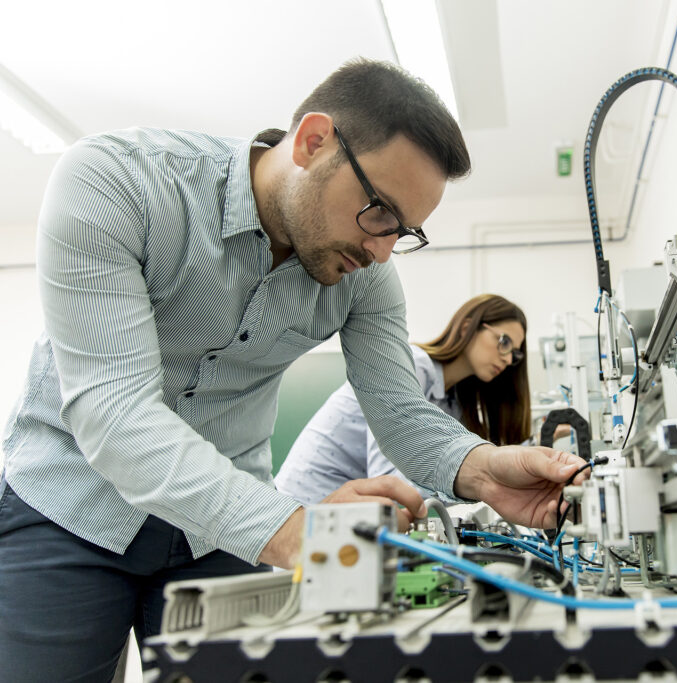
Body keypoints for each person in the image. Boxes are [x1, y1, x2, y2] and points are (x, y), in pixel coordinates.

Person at [0, 58, 585, 681]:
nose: (381, 250)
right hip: (67, 511)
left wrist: (483, 470)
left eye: (404, 231)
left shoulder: (367, 275)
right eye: (379, 211)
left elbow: (398, 410)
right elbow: (116, 416)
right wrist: (296, 531)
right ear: (312, 142)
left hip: (217, 537)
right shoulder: (118, 181)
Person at [277, 294, 535, 505]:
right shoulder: (412, 366)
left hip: (347, 515)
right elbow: (389, 480)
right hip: (307, 505)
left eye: (515, 354)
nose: (508, 359)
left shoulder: (452, 403)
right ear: (467, 327)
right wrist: (476, 484)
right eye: (504, 342)